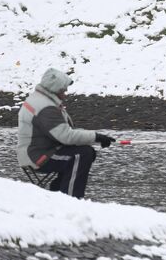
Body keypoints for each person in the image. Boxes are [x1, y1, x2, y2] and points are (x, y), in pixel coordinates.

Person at [17, 67, 115, 198]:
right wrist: (96, 137)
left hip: (43, 150)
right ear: (55, 90)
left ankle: (57, 190)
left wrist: (96, 137)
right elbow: (66, 136)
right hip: (38, 156)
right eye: (63, 90)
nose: (66, 93)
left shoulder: (41, 100)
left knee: (86, 151)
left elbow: (65, 132)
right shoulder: (47, 108)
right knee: (81, 155)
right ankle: (70, 199)